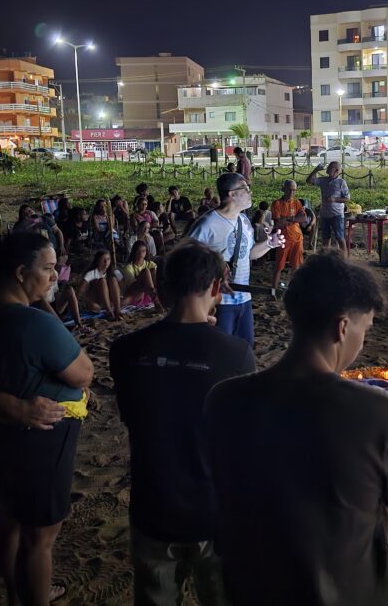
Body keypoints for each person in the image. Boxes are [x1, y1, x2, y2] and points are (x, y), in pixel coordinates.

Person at [204, 254, 388, 606]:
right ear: (342, 328)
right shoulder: (378, 414)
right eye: (364, 330)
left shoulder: (223, 400)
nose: (362, 342)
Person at [111, 240, 254, 606]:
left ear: (162, 289)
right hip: (215, 510)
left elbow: (134, 416)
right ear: (217, 287)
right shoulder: (236, 354)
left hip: (153, 505)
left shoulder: (124, 351)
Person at [0, 234, 94, 606]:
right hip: (40, 442)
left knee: (10, 519)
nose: (54, 277)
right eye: (48, 268)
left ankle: (14, 594)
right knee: (40, 538)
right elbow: (84, 372)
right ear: (21, 273)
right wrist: (46, 311)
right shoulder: (33, 323)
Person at [188, 173, 285, 347]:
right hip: (218, 302)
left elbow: (248, 254)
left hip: (244, 299)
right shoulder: (207, 224)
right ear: (232, 194)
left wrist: (270, 244)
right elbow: (185, 260)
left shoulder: (243, 220)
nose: (250, 192)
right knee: (220, 349)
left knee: (245, 347)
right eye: (245, 188)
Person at [306, 160, 350, 253]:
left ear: (336, 170)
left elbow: (347, 199)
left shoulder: (341, 182)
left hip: (337, 215)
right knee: (326, 238)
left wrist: (334, 199)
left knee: (340, 237)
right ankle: (327, 258)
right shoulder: (323, 180)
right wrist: (316, 170)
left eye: (330, 167)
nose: (328, 168)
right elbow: (309, 181)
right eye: (329, 166)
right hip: (324, 215)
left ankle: (344, 258)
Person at [271, 180, 306, 287]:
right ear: (283, 189)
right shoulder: (277, 203)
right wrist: (295, 219)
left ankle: (292, 289)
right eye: (289, 190)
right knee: (279, 267)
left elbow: (303, 218)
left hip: (297, 239)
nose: (292, 192)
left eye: (294, 190)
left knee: (296, 267)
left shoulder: (297, 203)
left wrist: (288, 219)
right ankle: (273, 290)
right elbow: (278, 223)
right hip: (283, 239)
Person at [80, 249, 125, 321]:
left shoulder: (115, 272)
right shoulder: (91, 273)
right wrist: (90, 303)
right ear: (98, 261)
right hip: (97, 300)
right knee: (102, 281)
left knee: (113, 279)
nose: (106, 262)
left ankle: (118, 310)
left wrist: (117, 298)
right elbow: (80, 292)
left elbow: (123, 288)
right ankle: (109, 311)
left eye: (108, 259)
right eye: (103, 260)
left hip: (111, 301)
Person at [122, 240, 165, 310]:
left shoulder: (151, 264)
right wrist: (146, 285)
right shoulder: (129, 267)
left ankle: (156, 298)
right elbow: (132, 286)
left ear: (146, 252)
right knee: (146, 272)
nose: (141, 254)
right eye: (138, 251)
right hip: (137, 294)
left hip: (150, 294)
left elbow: (156, 282)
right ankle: (156, 300)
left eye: (143, 251)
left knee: (152, 270)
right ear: (134, 252)